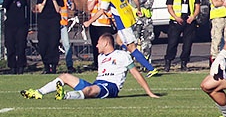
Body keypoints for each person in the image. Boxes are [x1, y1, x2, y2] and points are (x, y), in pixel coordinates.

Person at [21, 32, 159, 100]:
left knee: (91, 90)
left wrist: (150, 93)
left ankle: (65, 96)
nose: (96, 45)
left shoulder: (122, 55)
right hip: (97, 83)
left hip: (111, 87)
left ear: (106, 43)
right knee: (65, 76)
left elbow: (135, 73)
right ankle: (38, 93)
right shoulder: (100, 57)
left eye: (98, 43)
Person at [84, 0, 158, 76]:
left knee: (131, 47)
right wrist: (137, 10)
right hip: (130, 17)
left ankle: (150, 68)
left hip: (122, 22)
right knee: (119, 41)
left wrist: (89, 21)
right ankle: (126, 65)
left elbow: (102, 10)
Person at [164, 0, 200, 71]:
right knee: (172, 43)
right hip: (176, 21)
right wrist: (176, 17)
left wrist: (193, 17)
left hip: (189, 20)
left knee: (187, 44)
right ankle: (168, 62)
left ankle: (184, 63)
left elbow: (197, 6)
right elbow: (169, 7)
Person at [32, 0, 64, 74]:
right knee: (43, 44)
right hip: (43, 23)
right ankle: (46, 66)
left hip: (54, 22)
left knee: (53, 43)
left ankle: (53, 66)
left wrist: (54, 0)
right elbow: (39, 9)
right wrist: (45, 0)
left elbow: (59, 10)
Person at [86, 0, 115, 70]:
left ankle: (108, 63)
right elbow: (89, 8)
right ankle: (97, 64)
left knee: (106, 45)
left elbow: (106, 9)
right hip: (95, 25)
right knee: (96, 45)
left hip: (105, 25)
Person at [128, 0, 155, 64]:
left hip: (146, 20)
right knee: (132, 42)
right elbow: (131, 3)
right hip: (134, 20)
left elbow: (149, 3)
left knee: (147, 42)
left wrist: (138, 2)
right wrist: (141, 2)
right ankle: (130, 64)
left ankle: (146, 64)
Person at [3, 0, 28, 74]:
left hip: (21, 26)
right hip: (10, 26)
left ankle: (21, 66)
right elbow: (5, 5)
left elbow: (24, 4)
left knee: (21, 47)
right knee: (10, 46)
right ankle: (12, 67)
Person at [58, 0, 76, 71]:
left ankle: (69, 65)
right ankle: (52, 65)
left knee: (66, 44)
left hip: (63, 24)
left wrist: (72, 2)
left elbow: (71, 7)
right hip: (53, 24)